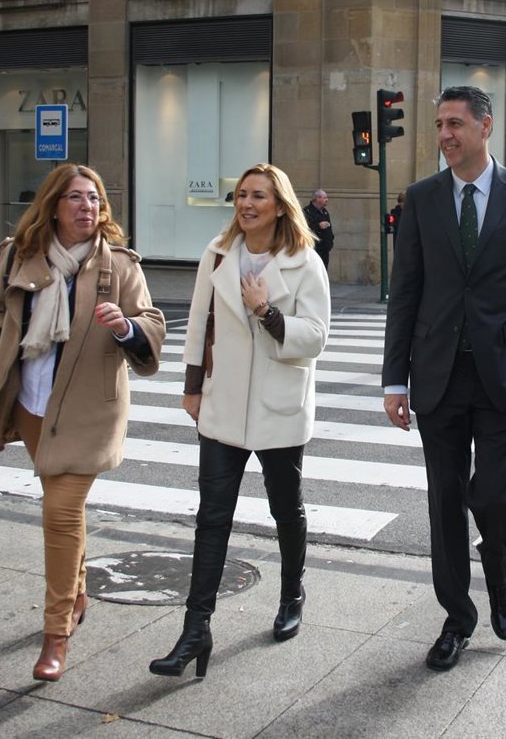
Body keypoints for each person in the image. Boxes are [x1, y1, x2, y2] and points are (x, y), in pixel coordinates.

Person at [0, 164, 167, 682]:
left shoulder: (118, 265)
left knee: (59, 513)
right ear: (53, 204)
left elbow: (151, 322)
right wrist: (0, 341)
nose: (87, 208)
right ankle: (76, 593)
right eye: (76, 198)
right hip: (32, 407)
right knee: (64, 513)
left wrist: (126, 326)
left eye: (95, 199)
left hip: (89, 410)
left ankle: (56, 633)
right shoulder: (19, 255)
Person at [382, 85, 506, 672]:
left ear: (485, 126)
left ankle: (500, 569)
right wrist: (394, 379)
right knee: (445, 502)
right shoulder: (423, 199)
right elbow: (405, 292)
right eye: (438, 125)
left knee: (495, 498)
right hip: (437, 377)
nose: (444, 135)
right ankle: (457, 617)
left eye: (455, 123)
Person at [151, 163, 330, 678]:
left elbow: (316, 336)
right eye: (241, 195)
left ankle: (292, 591)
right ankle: (195, 629)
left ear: (279, 206)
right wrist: (190, 388)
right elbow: (198, 323)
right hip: (223, 401)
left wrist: (267, 313)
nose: (247, 204)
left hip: (279, 404)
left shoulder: (303, 262)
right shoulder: (218, 253)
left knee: (284, 509)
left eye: (259, 196)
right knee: (212, 518)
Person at [303, 189, 334, 269]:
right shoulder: (307, 211)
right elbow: (304, 228)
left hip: (325, 248)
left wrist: (330, 242)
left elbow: (329, 229)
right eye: (324, 197)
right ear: (317, 199)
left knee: (323, 270)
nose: (327, 200)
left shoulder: (325, 212)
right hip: (314, 248)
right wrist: (318, 226)